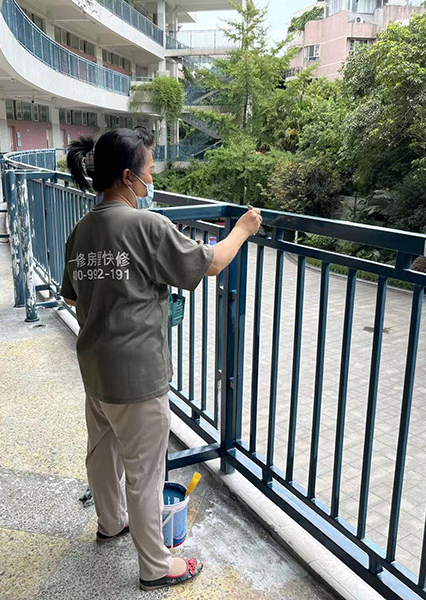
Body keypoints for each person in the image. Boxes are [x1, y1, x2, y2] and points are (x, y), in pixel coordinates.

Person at [60, 127, 261, 591]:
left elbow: (72, 297)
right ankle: (155, 565)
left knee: (102, 452)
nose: (152, 180)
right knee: (146, 472)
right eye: (149, 172)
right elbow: (212, 262)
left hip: (95, 367)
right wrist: (243, 229)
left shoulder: (82, 229)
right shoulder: (145, 225)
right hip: (138, 374)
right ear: (128, 177)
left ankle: (111, 522)